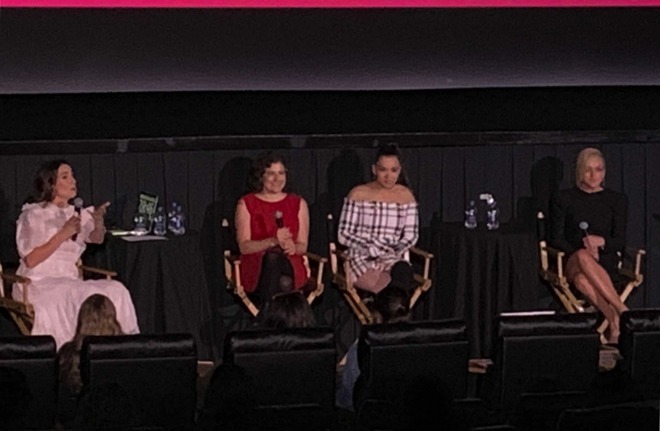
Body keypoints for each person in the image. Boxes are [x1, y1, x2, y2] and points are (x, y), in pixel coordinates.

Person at [13, 160, 139, 349]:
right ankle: (74, 350)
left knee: (117, 289)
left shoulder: (77, 214)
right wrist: (63, 233)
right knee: (83, 293)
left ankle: (122, 347)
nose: (73, 181)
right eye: (65, 177)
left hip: (68, 279)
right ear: (51, 184)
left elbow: (96, 239)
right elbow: (31, 260)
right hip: (38, 282)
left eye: (73, 176)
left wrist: (97, 222)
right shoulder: (34, 215)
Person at [549, 147, 628, 344]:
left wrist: (600, 242)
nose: (594, 175)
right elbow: (556, 239)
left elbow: (619, 240)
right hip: (573, 260)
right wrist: (581, 249)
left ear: (605, 172)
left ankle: (613, 321)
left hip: (604, 261)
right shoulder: (563, 198)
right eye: (588, 170)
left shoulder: (616, 200)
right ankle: (622, 309)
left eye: (599, 170)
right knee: (583, 257)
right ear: (579, 172)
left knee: (582, 281)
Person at [337, 143, 418, 294]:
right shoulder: (358, 194)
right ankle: (388, 311)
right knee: (386, 286)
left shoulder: (406, 196)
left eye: (394, 170)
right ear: (374, 169)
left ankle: (393, 311)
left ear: (399, 171)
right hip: (362, 257)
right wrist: (371, 247)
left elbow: (411, 236)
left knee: (402, 272)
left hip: (391, 256)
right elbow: (343, 234)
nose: (389, 176)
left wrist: (393, 250)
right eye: (383, 170)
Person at [234, 152, 310, 305]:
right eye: (271, 174)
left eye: (281, 173)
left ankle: (270, 315)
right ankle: (278, 314)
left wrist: (293, 248)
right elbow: (244, 246)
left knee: (281, 268)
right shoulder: (246, 203)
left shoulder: (298, 203)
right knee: (272, 259)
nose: (277, 179)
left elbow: (303, 245)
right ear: (260, 176)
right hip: (257, 267)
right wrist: (273, 241)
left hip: (291, 265)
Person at [336, 284, 412, 412]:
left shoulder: (364, 347)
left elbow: (348, 399)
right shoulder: (419, 344)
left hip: (366, 416)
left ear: (377, 317)